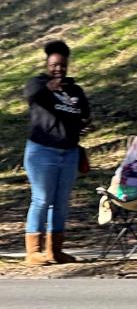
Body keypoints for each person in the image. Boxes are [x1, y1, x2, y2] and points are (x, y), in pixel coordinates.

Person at [23, 38, 91, 265]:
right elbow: (31, 97)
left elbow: (84, 114)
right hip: (42, 152)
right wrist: (47, 88)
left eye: (62, 65)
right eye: (54, 65)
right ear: (47, 64)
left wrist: (85, 124)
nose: (58, 69)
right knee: (42, 199)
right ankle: (33, 252)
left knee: (61, 202)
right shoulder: (37, 84)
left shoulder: (75, 90)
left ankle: (55, 250)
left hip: (69, 152)